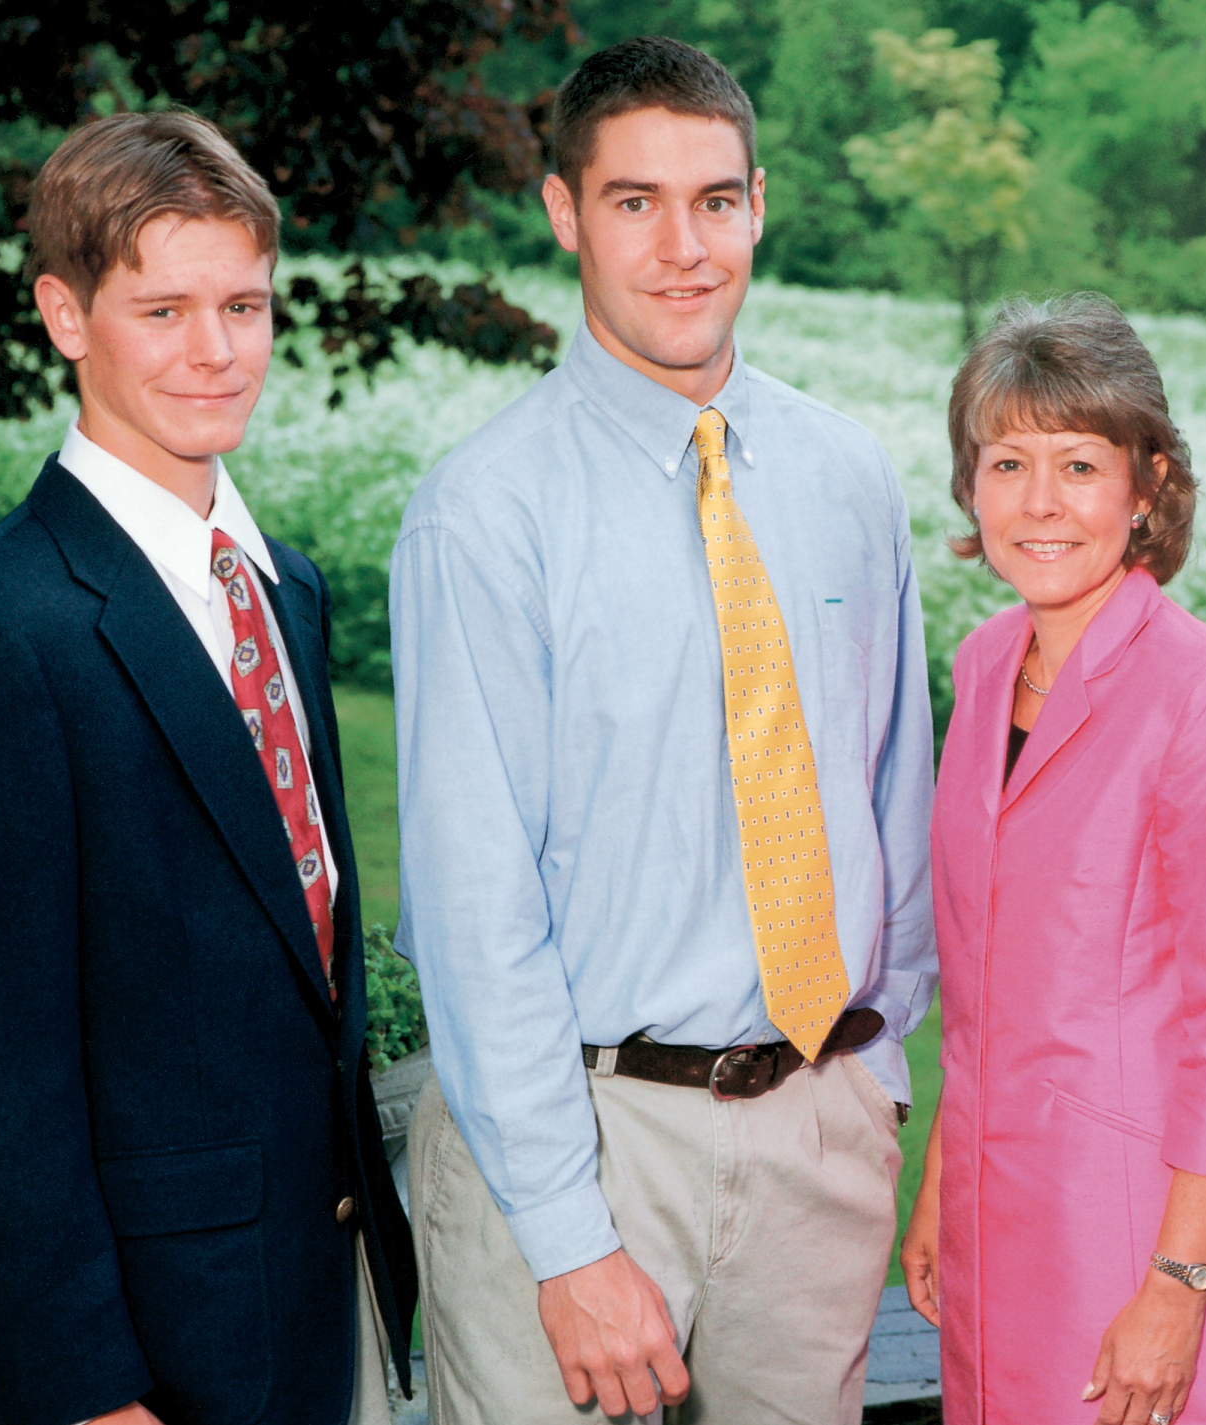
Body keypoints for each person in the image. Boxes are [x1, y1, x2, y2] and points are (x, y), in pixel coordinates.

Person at [389, 35, 937, 1425]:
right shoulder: (484, 511)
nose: (683, 246)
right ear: (566, 214)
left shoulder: (845, 475)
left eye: (713, 199)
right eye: (634, 202)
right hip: (578, 1132)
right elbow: (473, 906)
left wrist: (869, 1082)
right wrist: (568, 1238)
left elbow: (890, 794)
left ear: (758, 202)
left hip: (812, 1127)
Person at [0, 111, 415, 1425]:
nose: (215, 350)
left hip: (322, 1293)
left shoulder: (285, 592)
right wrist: (82, 1393)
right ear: (66, 315)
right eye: (162, 308)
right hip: (141, 1354)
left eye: (244, 304)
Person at [903, 293, 1206, 1425]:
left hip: (1147, 1244)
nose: (1039, 504)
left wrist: (1178, 1290)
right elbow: (985, 982)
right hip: (998, 1233)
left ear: (1149, 487)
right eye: (1005, 463)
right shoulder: (986, 668)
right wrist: (942, 1184)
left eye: (1080, 466)